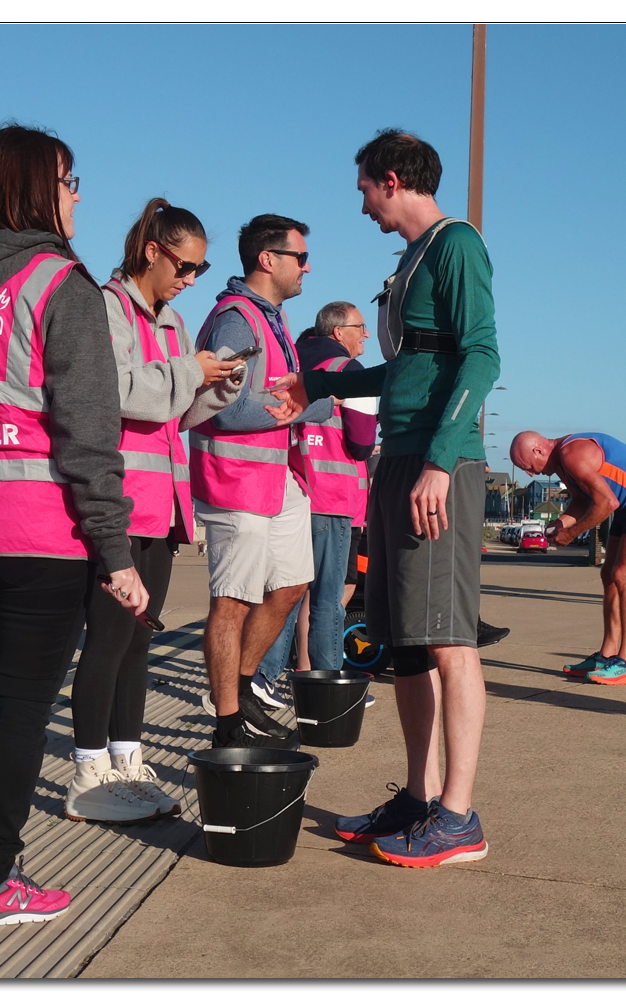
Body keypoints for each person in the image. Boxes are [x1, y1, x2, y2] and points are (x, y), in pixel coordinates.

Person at [0, 124, 147, 926]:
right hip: (36, 532)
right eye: (69, 180)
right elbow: (89, 432)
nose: (78, 194)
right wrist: (116, 552)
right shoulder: (60, 285)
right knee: (20, 707)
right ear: (31, 188)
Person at [269, 129, 498, 867]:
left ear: (390, 179)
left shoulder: (456, 244)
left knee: (448, 638)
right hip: (397, 460)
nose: (361, 203)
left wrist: (439, 460)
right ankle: (419, 797)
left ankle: (459, 817)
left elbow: (482, 354)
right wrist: (323, 383)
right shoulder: (410, 263)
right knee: (405, 646)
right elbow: (405, 372)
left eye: (364, 187)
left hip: (437, 465)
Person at [64, 199, 240, 824]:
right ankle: (87, 771)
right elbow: (119, 393)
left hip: (163, 505)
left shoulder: (174, 323)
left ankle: (127, 758)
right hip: (119, 504)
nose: (192, 279)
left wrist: (214, 390)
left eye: (201, 267)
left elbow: (171, 409)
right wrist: (189, 369)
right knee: (107, 641)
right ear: (152, 252)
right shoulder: (106, 307)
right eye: (187, 265)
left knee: (139, 641)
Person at [190, 215, 334, 749]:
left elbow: (283, 398)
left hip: (274, 478)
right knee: (232, 603)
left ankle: (243, 686)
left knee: (294, 584)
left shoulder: (271, 319)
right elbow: (223, 410)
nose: (307, 267)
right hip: (236, 481)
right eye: (300, 257)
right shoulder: (236, 321)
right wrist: (304, 406)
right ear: (268, 260)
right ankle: (227, 723)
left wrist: (300, 403)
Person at [250, 301, 377, 707]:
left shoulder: (292, 362)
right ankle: (327, 686)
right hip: (333, 498)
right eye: (361, 327)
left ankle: (263, 677)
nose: (367, 335)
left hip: (290, 489)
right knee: (327, 598)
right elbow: (361, 441)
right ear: (338, 332)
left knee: (288, 590)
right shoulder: (349, 373)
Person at [509, 430, 626, 685]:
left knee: (625, 575)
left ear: (538, 451)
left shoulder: (572, 454)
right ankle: (606, 656)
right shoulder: (562, 463)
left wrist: (572, 534)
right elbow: (582, 501)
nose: (530, 474)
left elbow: (606, 503)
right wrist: (560, 524)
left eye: (527, 466)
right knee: (608, 575)